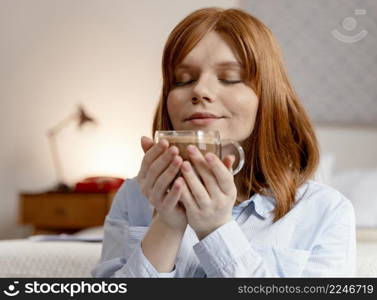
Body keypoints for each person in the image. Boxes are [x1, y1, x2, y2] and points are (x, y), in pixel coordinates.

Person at [92, 7, 356, 278]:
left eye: (229, 78)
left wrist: (216, 230)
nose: (200, 91)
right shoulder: (133, 198)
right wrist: (167, 225)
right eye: (183, 80)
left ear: (268, 97)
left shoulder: (326, 212)